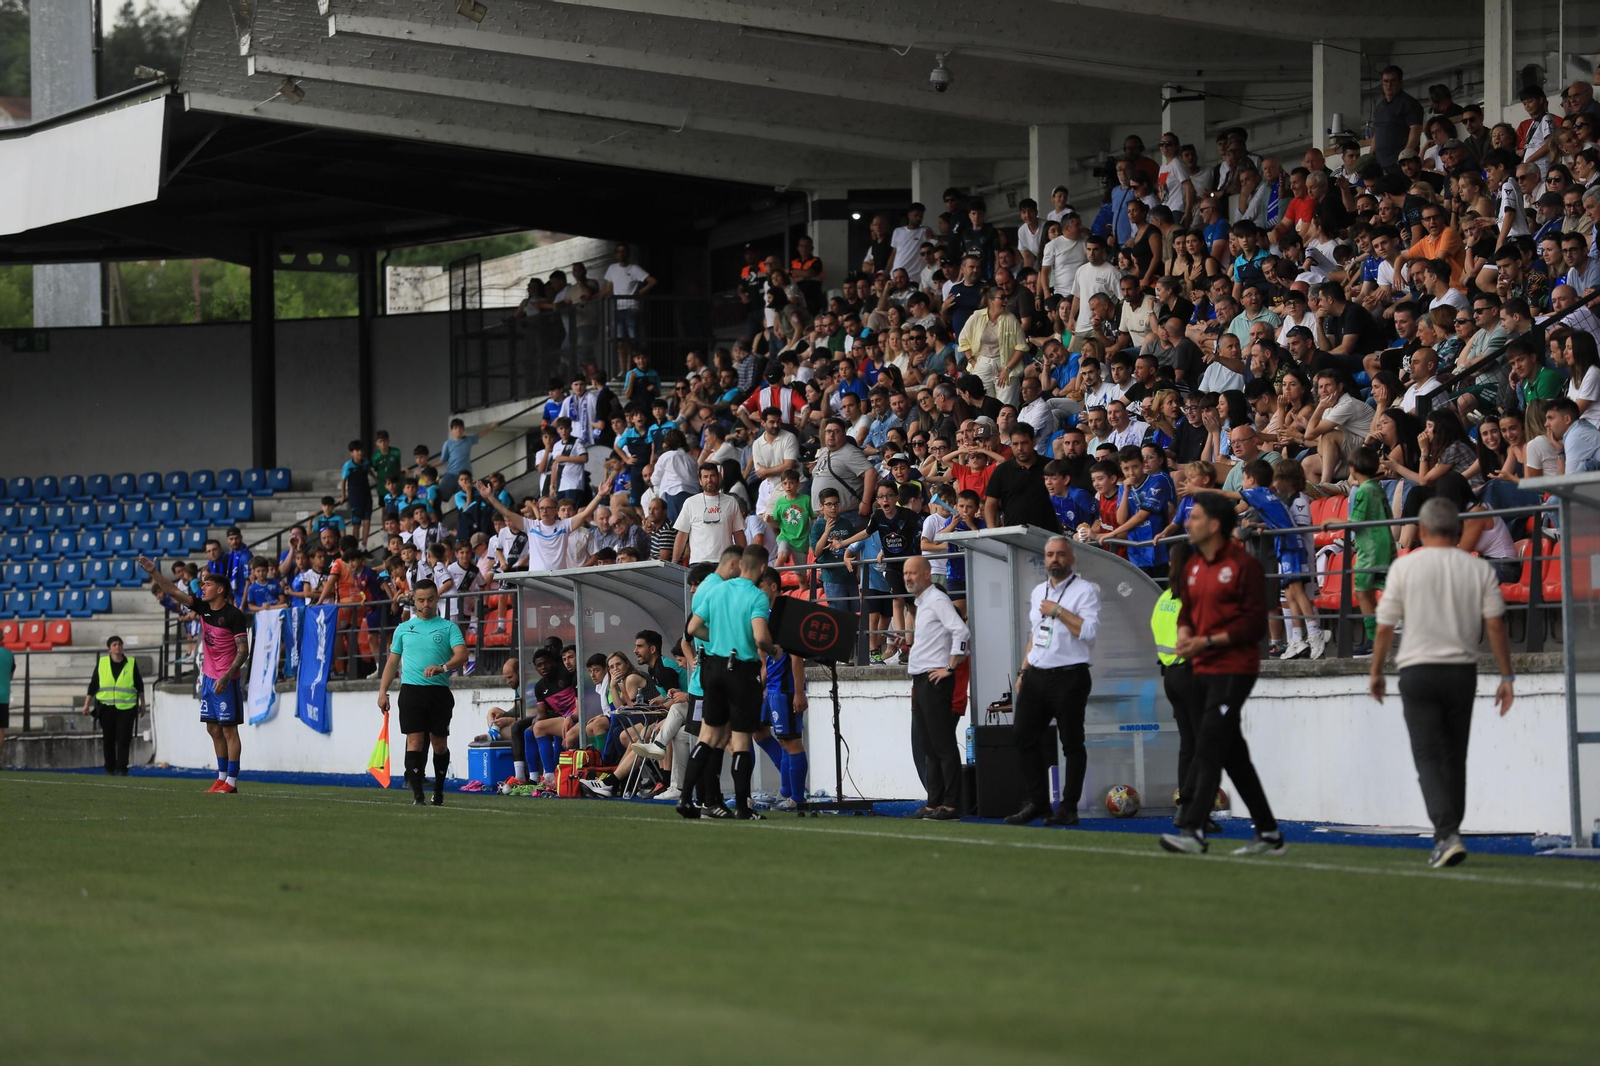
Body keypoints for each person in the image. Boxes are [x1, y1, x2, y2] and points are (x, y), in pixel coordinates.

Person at [1369, 499, 1514, 869]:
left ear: (1421, 530)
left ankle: (1446, 834)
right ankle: (1451, 831)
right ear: (1458, 530)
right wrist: (1506, 675)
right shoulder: (1477, 568)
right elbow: (1495, 625)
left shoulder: (1405, 566)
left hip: (1418, 671)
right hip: (1461, 671)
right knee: (1454, 756)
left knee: (1427, 756)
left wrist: (1376, 672)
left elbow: (1384, 626)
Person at [1158, 493, 1285, 857]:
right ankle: (1269, 833)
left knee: (1209, 744)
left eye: (1195, 517)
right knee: (1233, 755)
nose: (1187, 522)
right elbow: (1187, 611)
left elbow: (1254, 625)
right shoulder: (1195, 565)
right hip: (1200, 668)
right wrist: (1186, 633)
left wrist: (1207, 641)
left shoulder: (1244, 566)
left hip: (1233, 670)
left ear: (1214, 525)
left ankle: (1193, 828)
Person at [678, 545, 778, 820]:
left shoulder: (717, 590)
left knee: (708, 737)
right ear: (762, 569)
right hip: (741, 670)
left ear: (740, 565)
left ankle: (686, 799)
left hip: (714, 668)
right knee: (741, 739)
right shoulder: (757, 596)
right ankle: (743, 808)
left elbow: (693, 628)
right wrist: (773, 650)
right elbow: (760, 637)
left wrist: (718, 637)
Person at [1006, 536, 1100, 826]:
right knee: (1022, 736)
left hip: (1070, 675)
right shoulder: (1039, 591)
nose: (1054, 559)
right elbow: (1036, 634)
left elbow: (1088, 631)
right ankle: (1038, 803)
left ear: (1071, 559)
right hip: (1037, 674)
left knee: (1072, 743)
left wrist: (1058, 611)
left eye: (1060, 554)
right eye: (1049, 555)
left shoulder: (1085, 591)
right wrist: (1023, 671)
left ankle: (1069, 808)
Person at [137, 556, 249, 793]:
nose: (203, 587)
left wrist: (227, 676)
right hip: (208, 677)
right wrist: (154, 573)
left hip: (226, 679)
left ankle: (231, 782)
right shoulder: (202, 607)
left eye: (207, 584)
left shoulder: (234, 615)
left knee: (229, 730)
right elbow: (172, 591)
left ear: (220, 589)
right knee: (213, 728)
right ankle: (221, 777)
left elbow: (243, 650)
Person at [376, 579, 469, 806]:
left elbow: (462, 654)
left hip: (439, 692)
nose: (425, 604)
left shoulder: (448, 627)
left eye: (429, 599)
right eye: (420, 600)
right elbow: (392, 662)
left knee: (439, 744)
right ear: (414, 601)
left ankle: (439, 791)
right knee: (414, 741)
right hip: (411, 692)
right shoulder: (403, 629)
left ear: (437, 599)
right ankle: (418, 795)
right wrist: (382, 691)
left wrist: (443, 667)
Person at [904, 555, 970, 821]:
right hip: (921, 679)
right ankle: (934, 803)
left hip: (935, 681)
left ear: (927, 574)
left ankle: (951, 805)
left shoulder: (938, 599)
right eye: (905, 573)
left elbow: (961, 632)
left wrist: (950, 667)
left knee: (942, 745)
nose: (908, 577)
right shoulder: (923, 603)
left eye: (913, 572)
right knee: (930, 746)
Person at [81, 635, 145, 776]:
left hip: (126, 708)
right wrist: (86, 704)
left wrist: (143, 704)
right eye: (114, 645)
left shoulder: (131, 663)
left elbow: (139, 685)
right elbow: (93, 685)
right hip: (106, 707)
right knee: (108, 739)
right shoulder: (102, 663)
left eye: (119, 644)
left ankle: (122, 768)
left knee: (124, 739)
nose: (118, 647)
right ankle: (109, 768)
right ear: (109, 649)